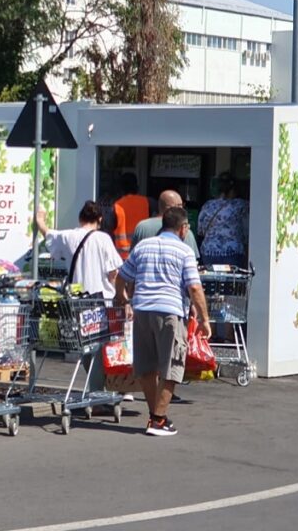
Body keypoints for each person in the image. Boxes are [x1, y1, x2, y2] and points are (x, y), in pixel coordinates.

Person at [114, 207, 211, 437]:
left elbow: (122, 276)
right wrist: (205, 319)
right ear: (183, 228)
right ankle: (157, 420)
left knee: (147, 367)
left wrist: (123, 298)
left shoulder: (143, 246)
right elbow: (194, 287)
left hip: (143, 311)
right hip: (170, 312)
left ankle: (156, 415)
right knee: (172, 367)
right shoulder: (184, 250)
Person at [35, 200, 122, 298]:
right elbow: (113, 273)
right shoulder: (104, 239)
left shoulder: (68, 237)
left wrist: (40, 221)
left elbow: (49, 234)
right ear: (100, 219)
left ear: (80, 218)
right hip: (101, 300)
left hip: (77, 300)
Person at [197, 172, 250, 268]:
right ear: (234, 189)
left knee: (211, 281)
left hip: (209, 251)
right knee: (232, 281)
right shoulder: (241, 205)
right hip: (232, 251)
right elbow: (247, 232)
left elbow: (200, 230)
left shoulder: (208, 205)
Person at [131, 190, 200, 258]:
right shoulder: (184, 230)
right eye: (181, 205)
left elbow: (133, 256)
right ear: (177, 207)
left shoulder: (142, 227)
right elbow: (192, 261)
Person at [113, 173, 150, 260]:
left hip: (122, 257)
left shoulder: (116, 206)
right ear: (137, 187)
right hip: (143, 253)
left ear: (121, 188)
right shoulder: (147, 203)